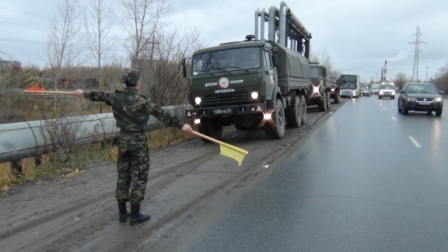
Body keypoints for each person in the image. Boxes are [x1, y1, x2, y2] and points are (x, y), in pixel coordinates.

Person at [73, 69, 193, 226]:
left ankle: (123, 213)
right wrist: (182, 125)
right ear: (137, 83)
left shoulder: (116, 97)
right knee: (139, 176)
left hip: (123, 141)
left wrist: (83, 93)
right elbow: (162, 114)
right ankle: (135, 214)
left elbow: (99, 96)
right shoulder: (142, 101)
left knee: (123, 175)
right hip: (138, 142)